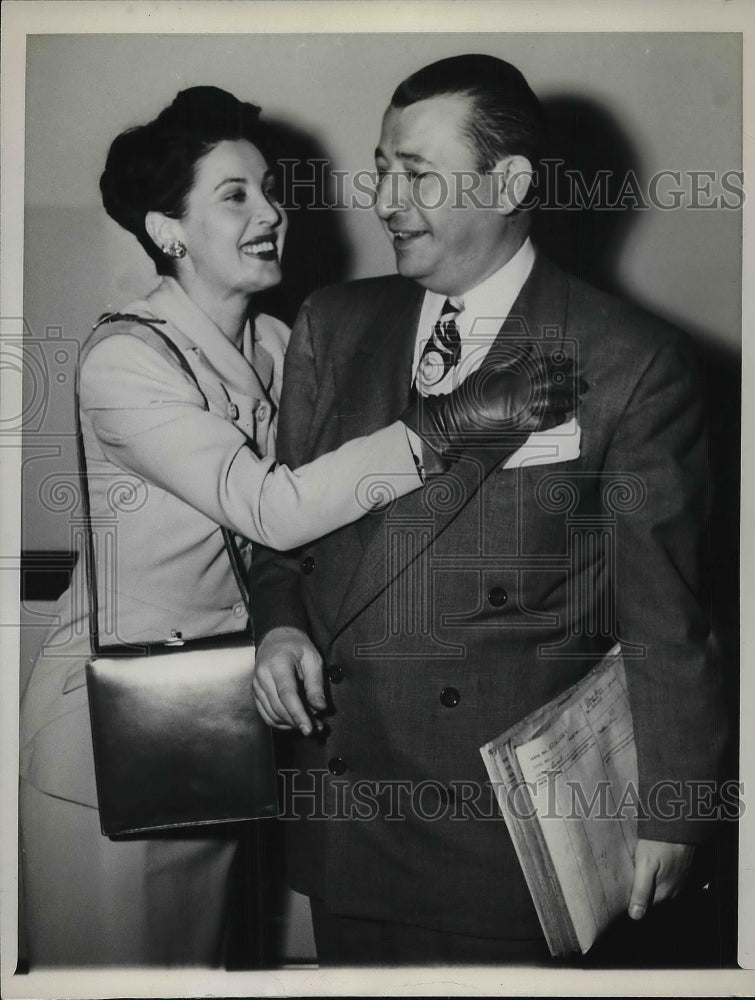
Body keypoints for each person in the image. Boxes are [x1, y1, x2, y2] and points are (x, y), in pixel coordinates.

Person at [18, 84, 576, 967]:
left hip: (225, 721)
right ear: (167, 231)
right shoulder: (122, 359)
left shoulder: (279, 342)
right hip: (110, 736)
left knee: (200, 970)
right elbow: (272, 508)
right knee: (112, 976)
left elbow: (333, 524)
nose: (271, 213)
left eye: (269, 189)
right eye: (234, 195)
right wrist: (449, 420)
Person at [251, 55, 721, 964]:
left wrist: (674, 810)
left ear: (508, 183)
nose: (385, 199)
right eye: (381, 166)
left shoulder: (630, 361)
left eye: (417, 173)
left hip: (504, 838)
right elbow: (281, 536)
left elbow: (666, 615)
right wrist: (277, 626)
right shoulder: (333, 323)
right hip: (346, 815)